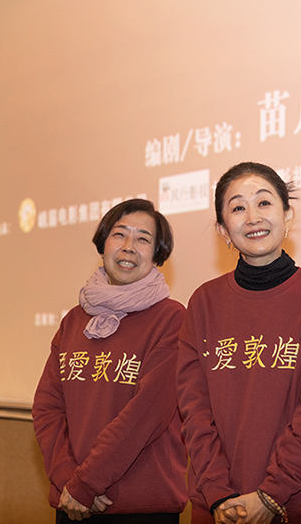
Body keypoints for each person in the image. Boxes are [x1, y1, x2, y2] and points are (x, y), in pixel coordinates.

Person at [176, 161, 301, 524]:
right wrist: (218, 492)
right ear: (223, 230)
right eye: (238, 208)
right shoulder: (203, 303)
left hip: (298, 505)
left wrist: (271, 494)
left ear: (287, 215)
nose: (253, 217)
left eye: (264, 203)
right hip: (217, 509)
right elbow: (194, 410)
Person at [33, 198, 188, 523]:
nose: (129, 246)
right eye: (120, 234)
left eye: (143, 238)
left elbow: (145, 415)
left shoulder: (172, 319)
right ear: (103, 244)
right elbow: (47, 407)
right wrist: (68, 479)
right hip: (72, 502)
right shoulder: (75, 320)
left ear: (157, 254)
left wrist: (86, 483)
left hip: (140, 507)